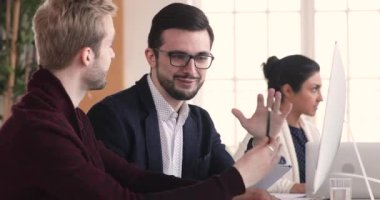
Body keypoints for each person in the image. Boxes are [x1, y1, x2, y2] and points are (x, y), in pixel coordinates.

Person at [0, 0, 289, 199]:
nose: (113, 54)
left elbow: (136, 179)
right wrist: (234, 181)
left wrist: (231, 191)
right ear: (87, 55)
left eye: (201, 57)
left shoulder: (67, 118)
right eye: (110, 45)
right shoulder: (42, 130)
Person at [234, 55, 323, 193]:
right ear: (287, 90)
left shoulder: (313, 132)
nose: (320, 98)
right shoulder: (262, 131)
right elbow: (238, 178)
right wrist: (297, 188)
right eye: (314, 89)